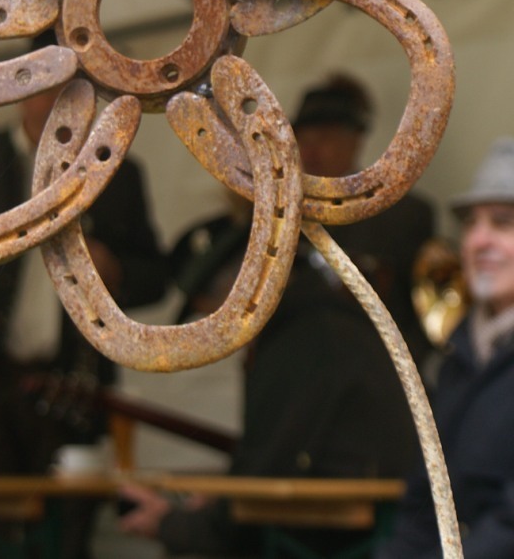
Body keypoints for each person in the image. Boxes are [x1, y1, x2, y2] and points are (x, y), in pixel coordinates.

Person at [0, 30, 167, 556]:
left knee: (68, 537)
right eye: (44, 88)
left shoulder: (117, 172)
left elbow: (156, 274)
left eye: (71, 91)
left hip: (73, 387)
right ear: (19, 90)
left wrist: (115, 270)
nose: (55, 105)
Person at [119, 227, 417, 556]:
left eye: (211, 314)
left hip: (344, 541)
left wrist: (173, 525)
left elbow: (263, 479)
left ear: (237, 291)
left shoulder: (303, 341)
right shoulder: (321, 323)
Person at [376, 137, 514, 558]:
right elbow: (423, 502)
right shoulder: (456, 357)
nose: (478, 241)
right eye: (471, 224)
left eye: (502, 223)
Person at [292, 72, 437, 370]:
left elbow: (425, 314)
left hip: (379, 373)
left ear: (354, 140)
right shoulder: (281, 217)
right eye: (303, 139)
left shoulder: (404, 214)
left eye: (325, 138)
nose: (311, 150)